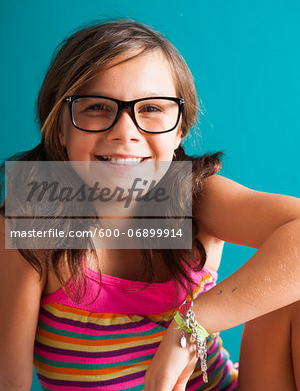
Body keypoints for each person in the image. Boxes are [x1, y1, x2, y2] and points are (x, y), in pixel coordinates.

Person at [0, 19, 299, 391]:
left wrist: (191, 324)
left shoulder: (195, 197)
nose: (125, 131)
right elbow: (8, 380)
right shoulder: (32, 220)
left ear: (180, 130)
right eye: (96, 107)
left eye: (152, 108)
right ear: (60, 126)